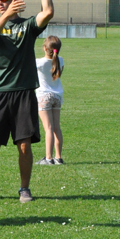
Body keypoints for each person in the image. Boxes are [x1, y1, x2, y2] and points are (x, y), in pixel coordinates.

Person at [0, 0, 54, 203]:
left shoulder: (28, 26)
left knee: (24, 145)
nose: (0, 4)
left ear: (14, 1)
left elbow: (48, 12)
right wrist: (4, 16)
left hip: (23, 93)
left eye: (4, 0)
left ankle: (24, 189)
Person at [35, 36, 65, 166]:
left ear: (44, 48)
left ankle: (48, 158)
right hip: (57, 96)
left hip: (44, 97)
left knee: (48, 128)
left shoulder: (39, 63)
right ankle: (58, 157)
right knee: (56, 127)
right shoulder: (61, 61)